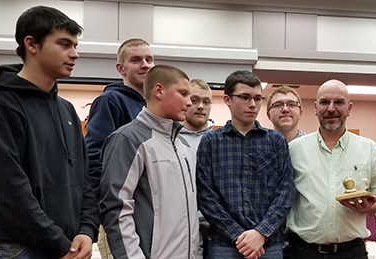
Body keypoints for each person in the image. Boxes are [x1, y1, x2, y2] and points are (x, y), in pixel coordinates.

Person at [0, 6, 99, 259]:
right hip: (17, 250)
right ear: (31, 44)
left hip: (66, 247)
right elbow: (4, 191)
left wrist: (86, 230)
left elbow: (84, 180)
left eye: (74, 45)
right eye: (64, 44)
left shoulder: (67, 111)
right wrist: (57, 243)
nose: (75, 54)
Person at [100, 65, 202, 259]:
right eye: (183, 93)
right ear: (159, 91)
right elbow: (117, 209)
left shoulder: (184, 146)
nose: (189, 103)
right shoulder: (128, 140)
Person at [287, 79, 376, 259]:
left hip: (351, 252)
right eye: (325, 102)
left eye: (339, 102)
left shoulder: (369, 149)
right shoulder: (294, 149)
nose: (331, 108)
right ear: (315, 107)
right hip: (303, 252)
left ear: (349, 108)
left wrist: (370, 206)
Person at [196, 70, 294, 259]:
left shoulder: (275, 141)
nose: (252, 104)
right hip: (224, 245)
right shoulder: (211, 142)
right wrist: (237, 235)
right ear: (227, 99)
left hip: (268, 244)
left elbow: (285, 192)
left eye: (258, 98)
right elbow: (206, 195)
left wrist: (261, 232)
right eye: (244, 97)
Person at [84, 38, 154, 259]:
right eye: (136, 60)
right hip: (119, 216)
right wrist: (102, 214)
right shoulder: (109, 101)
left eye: (149, 59)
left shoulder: (154, 107)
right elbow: (94, 158)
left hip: (147, 214)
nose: (145, 64)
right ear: (120, 68)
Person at [179, 79, 215, 258]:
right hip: (183, 229)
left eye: (206, 102)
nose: (201, 106)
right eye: (194, 100)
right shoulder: (171, 138)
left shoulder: (220, 140)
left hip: (218, 229)